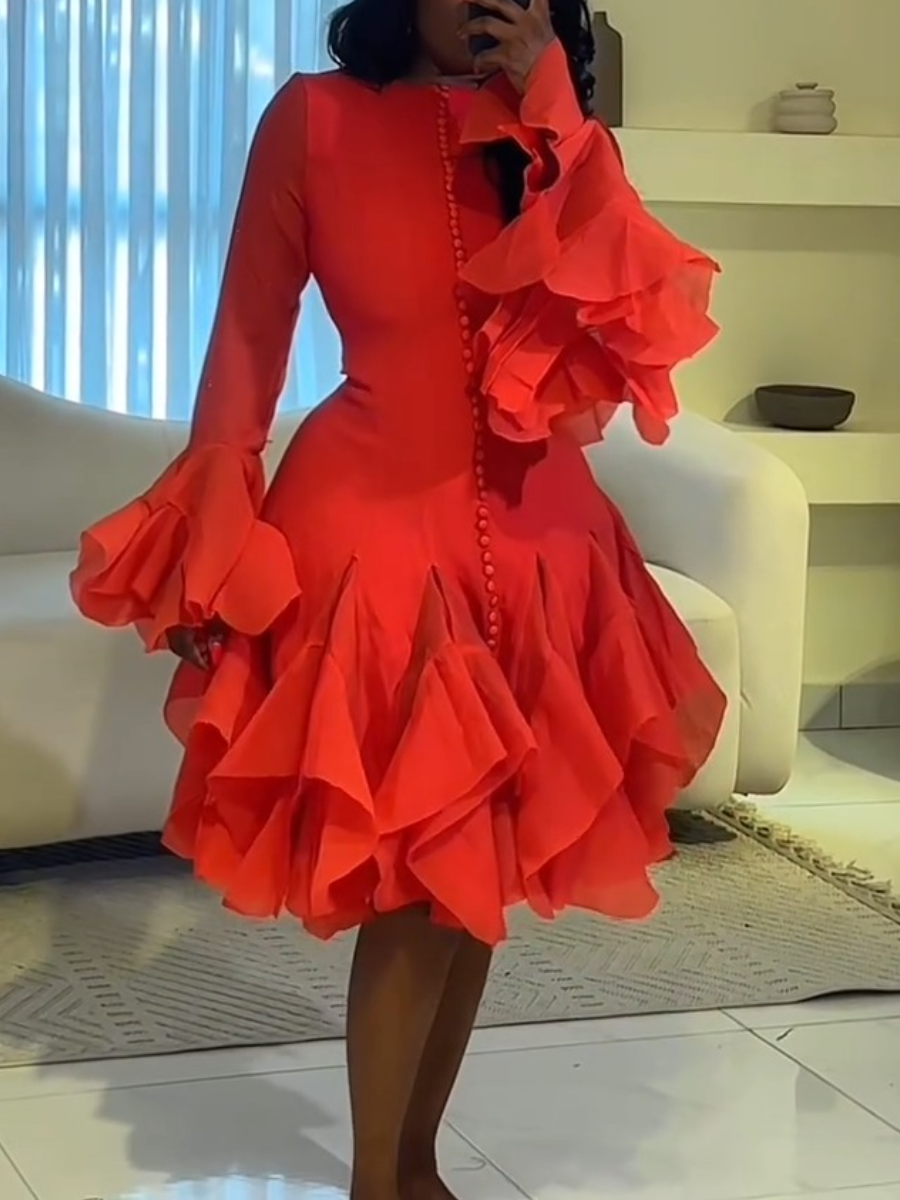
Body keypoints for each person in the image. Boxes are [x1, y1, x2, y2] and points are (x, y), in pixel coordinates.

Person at [71, 0, 726, 1196]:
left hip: (545, 546)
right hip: (370, 546)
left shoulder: (554, 136)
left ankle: (416, 1166)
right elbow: (248, 339)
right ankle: (380, 1183)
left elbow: (630, 313)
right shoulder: (315, 118)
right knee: (418, 890)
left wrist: (552, 111)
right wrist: (213, 535)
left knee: (475, 890)